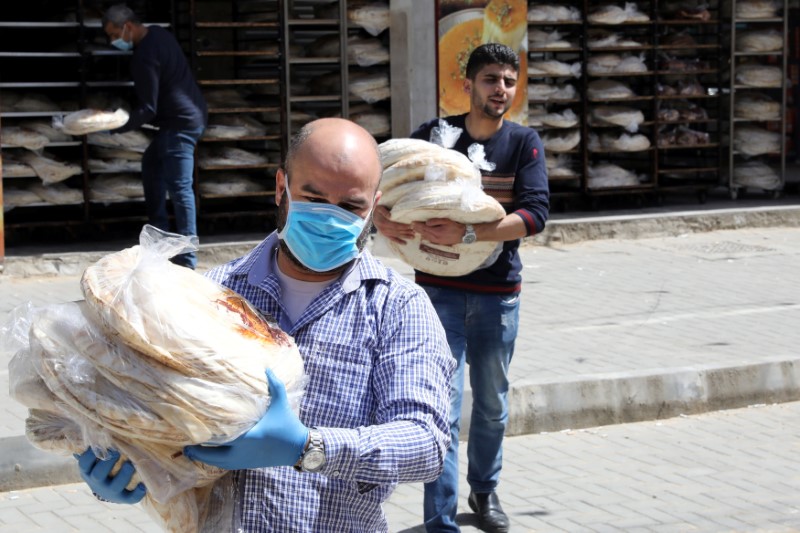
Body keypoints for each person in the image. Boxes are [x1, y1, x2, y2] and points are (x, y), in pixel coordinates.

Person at [74, 117, 456, 532]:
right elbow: (151, 413)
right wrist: (113, 469)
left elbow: (425, 443)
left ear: (373, 207)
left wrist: (308, 448)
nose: (330, 217)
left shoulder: (398, 308)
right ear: (281, 187)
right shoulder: (209, 295)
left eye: (350, 207)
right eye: (313, 197)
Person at [373, 43, 550, 532]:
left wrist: (469, 233)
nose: (502, 90)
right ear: (468, 84)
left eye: (510, 81)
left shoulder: (522, 143)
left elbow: (535, 215)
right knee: (441, 407)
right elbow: (374, 183)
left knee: (491, 406)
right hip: (436, 294)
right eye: (491, 79)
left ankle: (485, 491)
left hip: (497, 296)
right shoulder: (432, 138)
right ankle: (440, 519)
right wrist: (381, 219)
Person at [102, 4, 208, 269]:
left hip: (180, 124)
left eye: (113, 33)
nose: (112, 41)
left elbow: (148, 108)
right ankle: (158, 241)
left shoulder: (145, 55)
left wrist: (115, 126)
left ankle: (187, 260)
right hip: (186, 118)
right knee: (151, 167)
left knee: (180, 188)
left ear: (127, 26)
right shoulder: (159, 34)